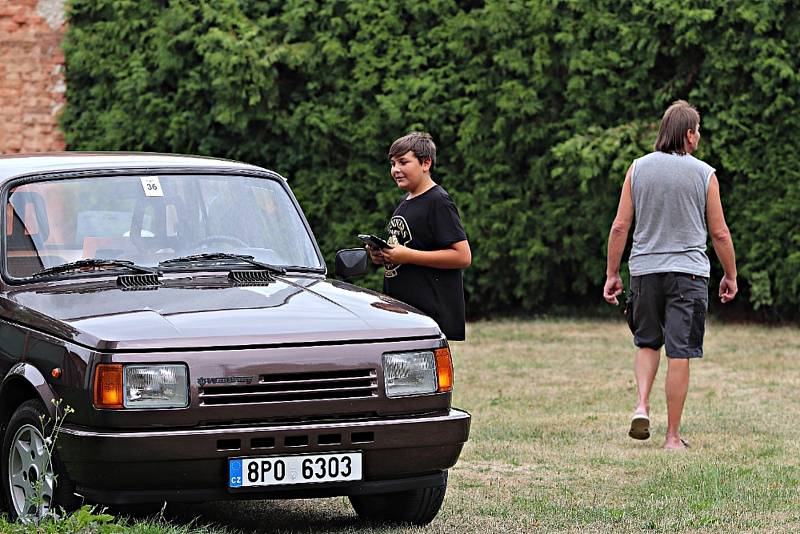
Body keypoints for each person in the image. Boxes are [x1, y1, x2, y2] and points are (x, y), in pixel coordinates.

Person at [603, 100, 738, 450]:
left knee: (647, 342)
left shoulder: (637, 169)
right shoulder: (704, 174)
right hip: (689, 275)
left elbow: (620, 226)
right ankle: (672, 437)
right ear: (689, 135)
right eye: (698, 131)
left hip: (645, 272)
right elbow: (720, 233)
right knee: (679, 352)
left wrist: (612, 273)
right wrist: (730, 274)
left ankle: (641, 405)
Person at [367, 131, 471, 340]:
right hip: (404, 312)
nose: (396, 169)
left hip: (427, 315)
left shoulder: (438, 202)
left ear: (425, 163)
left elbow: (463, 256)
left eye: (403, 162)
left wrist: (407, 256)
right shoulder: (405, 202)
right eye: (393, 163)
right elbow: (407, 246)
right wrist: (383, 255)